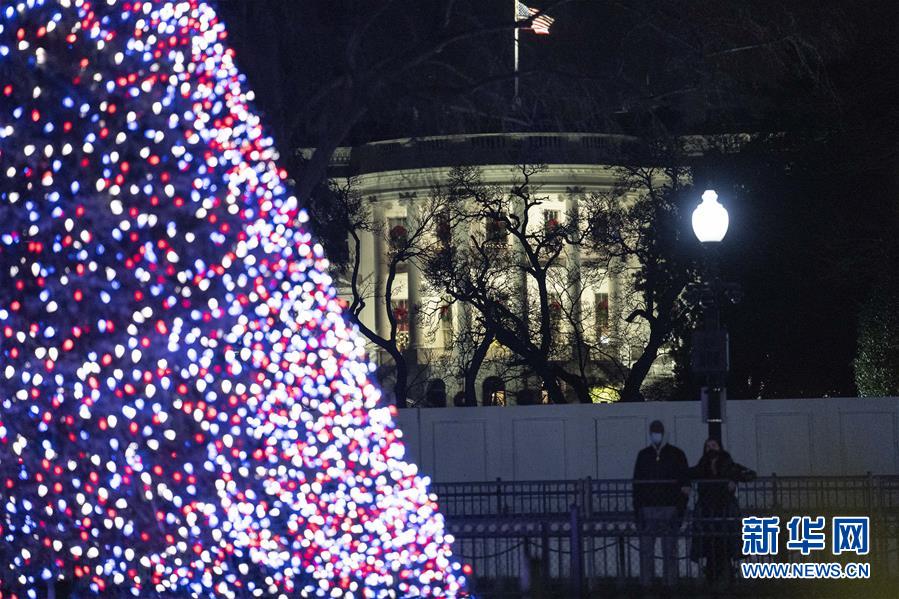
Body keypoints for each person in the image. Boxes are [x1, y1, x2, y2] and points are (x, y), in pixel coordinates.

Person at [688, 438, 756, 584]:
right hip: (707, 511)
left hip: (724, 510)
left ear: (720, 447)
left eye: (713, 445)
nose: (710, 449)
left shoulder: (728, 463)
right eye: (707, 446)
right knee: (709, 543)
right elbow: (688, 473)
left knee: (725, 543)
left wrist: (734, 478)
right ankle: (712, 578)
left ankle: (726, 577)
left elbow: (750, 474)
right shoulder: (703, 464)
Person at [632, 420, 690, 587]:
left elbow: (637, 485)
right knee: (657, 550)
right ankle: (662, 584)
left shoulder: (648, 455)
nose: (655, 435)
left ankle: (656, 584)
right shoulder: (672, 454)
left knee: (662, 550)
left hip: (663, 507)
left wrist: (638, 510)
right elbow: (637, 485)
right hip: (658, 507)